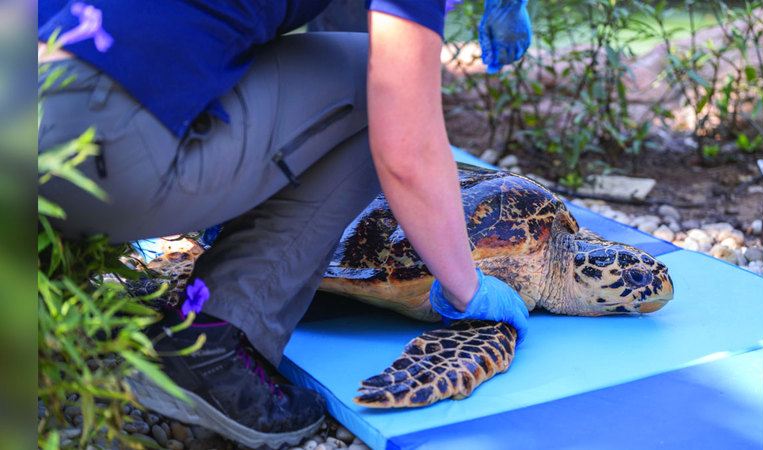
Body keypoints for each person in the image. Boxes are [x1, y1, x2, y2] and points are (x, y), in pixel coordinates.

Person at [38, 1, 532, 447]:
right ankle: (213, 340)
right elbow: (408, 150)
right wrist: (468, 290)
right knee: (377, 79)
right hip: (89, 144)